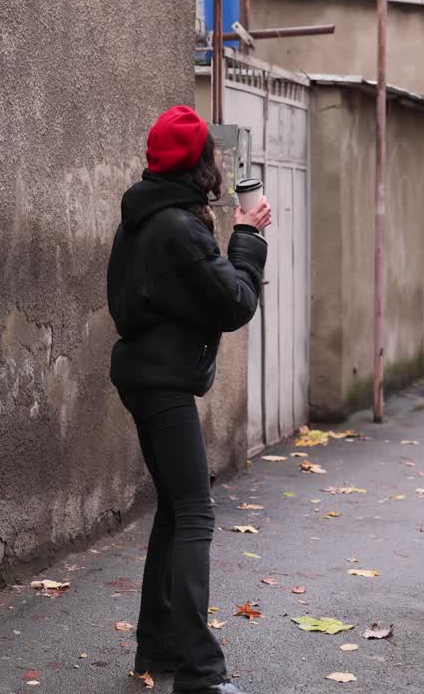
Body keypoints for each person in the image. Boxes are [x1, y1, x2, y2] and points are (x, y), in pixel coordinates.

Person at [106, 105, 271, 694]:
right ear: (199, 162)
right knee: (196, 512)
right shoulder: (178, 227)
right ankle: (200, 671)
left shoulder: (145, 216)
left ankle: (159, 646)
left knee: (178, 509)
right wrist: (248, 239)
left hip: (147, 375)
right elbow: (233, 304)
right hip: (162, 382)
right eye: (212, 153)